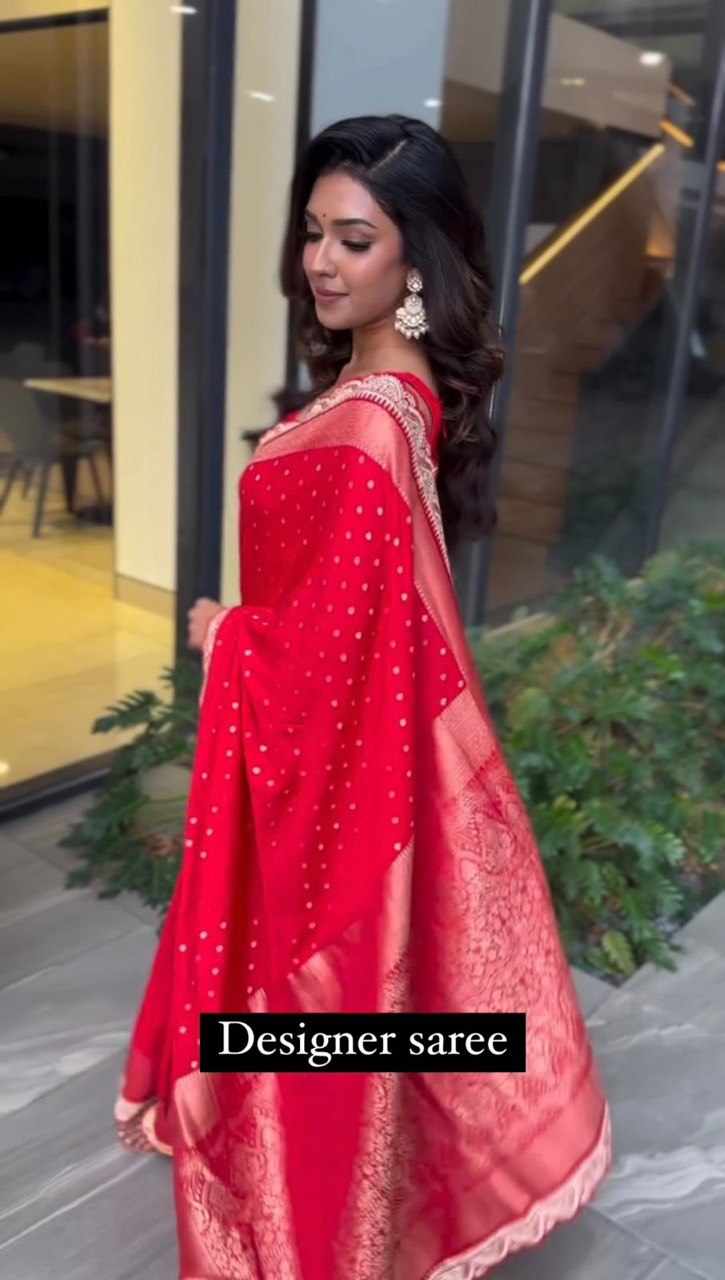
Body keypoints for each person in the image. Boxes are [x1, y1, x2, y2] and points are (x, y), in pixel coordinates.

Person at [113, 114, 611, 1279]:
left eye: (354, 239)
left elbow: (332, 660)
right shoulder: (389, 395)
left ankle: (326, 1216)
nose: (320, 264)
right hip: (353, 756)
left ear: (414, 258)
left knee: (324, 1003)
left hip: (334, 766)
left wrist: (226, 633)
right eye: (312, 233)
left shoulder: (370, 426)